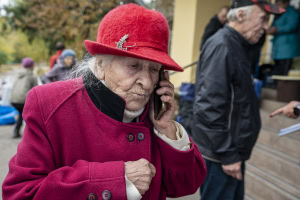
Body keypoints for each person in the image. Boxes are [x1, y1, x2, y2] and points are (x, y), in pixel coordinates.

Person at [2, 4, 207, 200]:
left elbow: (187, 186)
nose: (146, 83)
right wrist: (115, 179)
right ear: (100, 64)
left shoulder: (155, 112)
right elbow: (21, 193)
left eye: (154, 69)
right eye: (133, 66)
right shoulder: (49, 103)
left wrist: (168, 131)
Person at [192, 0, 284, 199]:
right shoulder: (222, 45)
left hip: (228, 152)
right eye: (263, 19)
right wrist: (228, 155)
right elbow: (208, 107)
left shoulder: (236, 44)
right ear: (241, 15)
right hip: (222, 156)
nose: (266, 27)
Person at [268, 0, 300, 76]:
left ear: (286, 3)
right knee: (278, 69)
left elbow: (292, 26)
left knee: (284, 71)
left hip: (287, 48)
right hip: (278, 47)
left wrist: (276, 29)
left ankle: (283, 86)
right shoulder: (278, 13)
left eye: (279, 3)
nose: (277, 5)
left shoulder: (292, 12)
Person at [10, 57, 38, 138]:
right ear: (32, 66)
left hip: (13, 99)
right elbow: (36, 90)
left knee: (21, 114)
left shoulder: (18, 75)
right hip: (22, 100)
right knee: (30, 115)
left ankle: (17, 131)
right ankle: (31, 134)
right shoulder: (32, 76)